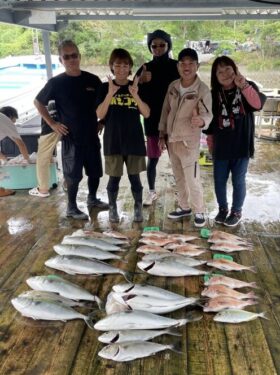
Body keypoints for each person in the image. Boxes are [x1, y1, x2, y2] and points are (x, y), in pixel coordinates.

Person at [32, 39, 108, 220]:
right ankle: (71, 207)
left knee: (95, 171)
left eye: (74, 55)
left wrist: (103, 121)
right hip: (70, 137)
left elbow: (106, 102)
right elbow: (38, 102)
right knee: (72, 175)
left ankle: (92, 199)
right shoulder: (56, 83)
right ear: (61, 60)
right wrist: (52, 124)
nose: (71, 59)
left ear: (79, 56)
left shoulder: (93, 80)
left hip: (91, 134)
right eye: (66, 57)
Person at [205, 56, 266, 227]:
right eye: (219, 71)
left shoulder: (248, 86)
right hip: (221, 147)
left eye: (228, 69)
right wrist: (211, 145)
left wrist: (244, 85)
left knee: (238, 180)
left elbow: (257, 104)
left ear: (235, 69)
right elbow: (210, 124)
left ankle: (236, 210)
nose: (224, 73)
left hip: (241, 145)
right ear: (214, 76)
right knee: (219, 180)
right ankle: (222, 209)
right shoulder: (213, 95)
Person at [158, 48, 213, 227]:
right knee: (179, 177)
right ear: (178, 66)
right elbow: (165, 111)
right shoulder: (173, 86)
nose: (186, 67)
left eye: (191, 63)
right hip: (172, 140)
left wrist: (201, 121)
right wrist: (161, 134)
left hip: (189, 142)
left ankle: (199, 210)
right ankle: (183, 206)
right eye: (182, 63)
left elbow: (208, 114)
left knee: (193, 179)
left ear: (197, 66)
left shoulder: (202, 90)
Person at [96, 48, 150, 223]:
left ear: (130, 68)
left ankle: (138, 207)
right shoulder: (105, 88)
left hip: (134, 140)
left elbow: (147, 113)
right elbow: (99, 114)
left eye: (125, 65)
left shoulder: (136, 87)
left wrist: (135, 95)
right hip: (113, 141)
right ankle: (113, 209)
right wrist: (111, 93)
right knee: (114, 178)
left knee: (135, 178)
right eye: (117, 65)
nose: (121, 68)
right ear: (112, 66)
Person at [136, 29, 180, 206]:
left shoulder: (177, 66)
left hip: (174, 122)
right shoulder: (145, 68)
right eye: (154, 45)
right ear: (150, 47)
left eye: (162, 44)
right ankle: (152, 191)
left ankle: (181, 190)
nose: (158, 48)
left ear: (168, 46)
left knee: (176, 159)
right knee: (152, 159)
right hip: (153, 122)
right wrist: (140, 81)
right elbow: (133, 93)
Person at [29, 101, 61, 198]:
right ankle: (68, 184)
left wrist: (52, 124)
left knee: (42, 158)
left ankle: (43, 190)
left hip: (53, 127)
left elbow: (37, 102)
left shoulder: (50, 88)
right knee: (69, 153)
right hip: (70, 122)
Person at [0, 106, 30, 197]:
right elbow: (20, 143)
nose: (15, 122)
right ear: (10, 116)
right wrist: (27, 160)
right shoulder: (6, 121)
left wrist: (4, 158)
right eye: (15, 119)